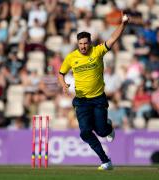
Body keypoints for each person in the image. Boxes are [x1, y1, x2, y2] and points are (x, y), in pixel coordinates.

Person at [58, 13, 129, 170]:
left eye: (85, 43)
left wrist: (123, 25)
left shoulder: (97, 52)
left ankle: (108, 127)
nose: (83, 46)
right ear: (77, 44)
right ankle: (105, 161)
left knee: (102, 132)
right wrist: (63, 85)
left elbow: (112, 39)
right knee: (85, 132)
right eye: (80, 44)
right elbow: (61, 73)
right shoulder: (71, 57)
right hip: (81, 100)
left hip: (98, 99)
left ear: (90, 43)